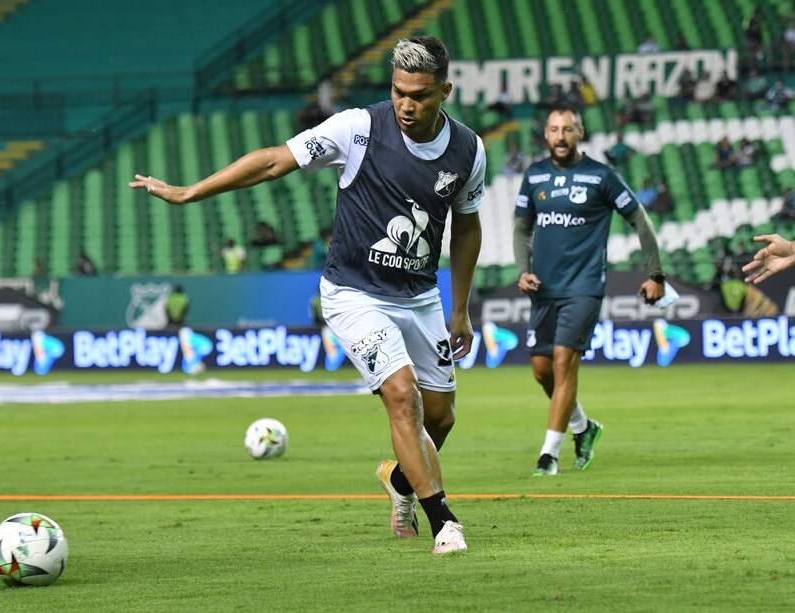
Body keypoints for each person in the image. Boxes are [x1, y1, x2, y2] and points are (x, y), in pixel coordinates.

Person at [130, 37, 485, 555]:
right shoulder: (358, 128)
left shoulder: (469, 150)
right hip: (353, 293)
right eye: (399, 92)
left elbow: (468, 227)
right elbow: (275, 161)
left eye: (421, 96)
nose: (407, 105)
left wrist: (460, 308)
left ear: (445, 92)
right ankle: (443, 521)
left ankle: (402, 479)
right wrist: (189, 192)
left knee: (441, 417)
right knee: (402, 396)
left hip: (420, 296)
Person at [513, 104, 665, 476]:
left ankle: (549, 454)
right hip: (543, 289)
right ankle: (583, 427)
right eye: (553, 129)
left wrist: (655, 274)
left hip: (584, 287)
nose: (560, 136)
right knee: (541, 372)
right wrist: (523, 270)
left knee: (565, 362)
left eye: (568, 129)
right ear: (545, 135)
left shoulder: (601, 176)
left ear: (580, 133)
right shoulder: (533, 177)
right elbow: (521, 228)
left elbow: (640, 221)